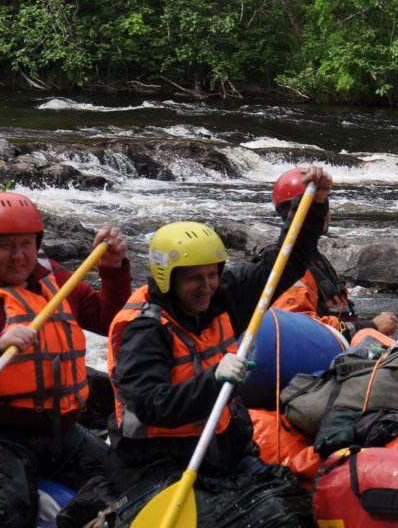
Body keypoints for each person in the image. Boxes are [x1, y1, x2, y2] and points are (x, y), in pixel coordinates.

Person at [107, 167, 332, 482]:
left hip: (220, 451)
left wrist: (314, 204)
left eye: (212, 275)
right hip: (161, 462)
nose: (206, 287)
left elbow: (285, 263)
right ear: (167, 277)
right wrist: (213, 379)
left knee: (289, 498)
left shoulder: (222, 297)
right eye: (194, 279)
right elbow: (150, 405)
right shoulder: (145, 330)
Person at [0, 191, 131, 528]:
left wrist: (113, 270)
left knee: (131, 489)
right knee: (7, 515)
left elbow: (108, 320)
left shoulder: (53, 277)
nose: (19, 256)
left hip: (58, 432)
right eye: (6, 246)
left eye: (27, 244)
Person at [264, 168, 398, 341]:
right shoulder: (287, 263)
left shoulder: (316, 258)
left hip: (343, 346)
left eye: (324, 205)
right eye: (318, 206)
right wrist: (371, 326)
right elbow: (300, 330)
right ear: (293, 213)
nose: (327, 213)